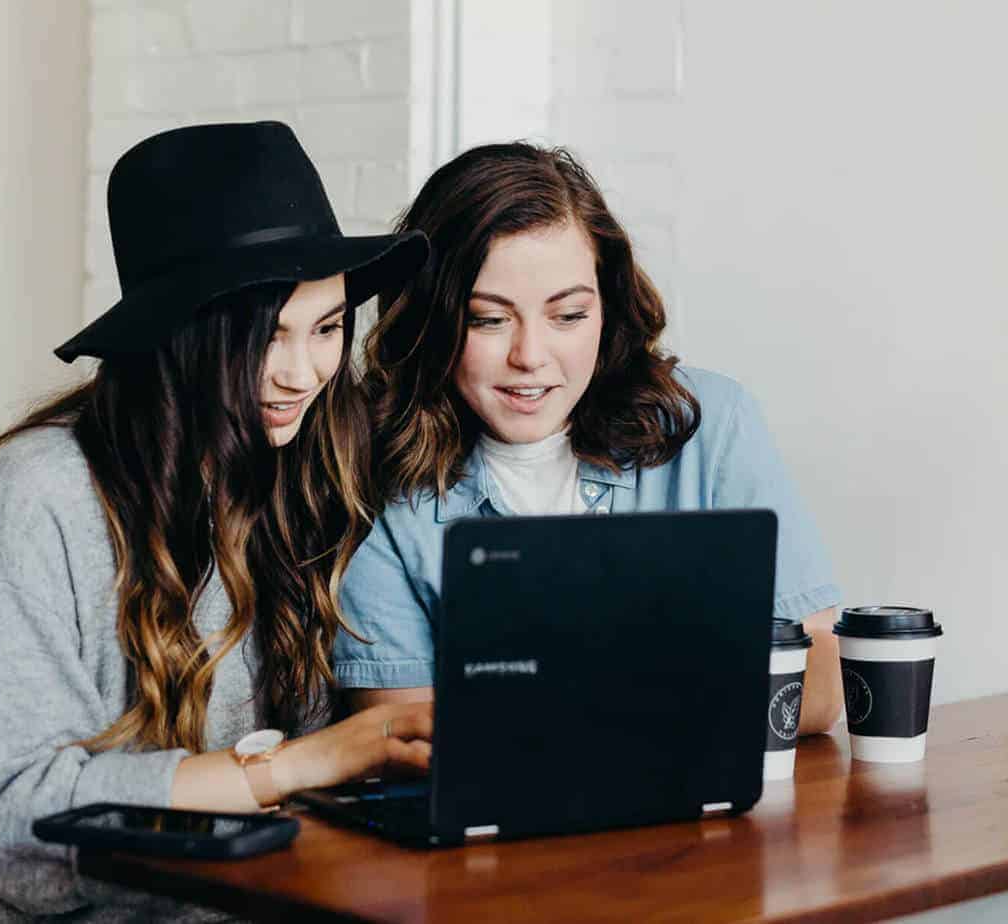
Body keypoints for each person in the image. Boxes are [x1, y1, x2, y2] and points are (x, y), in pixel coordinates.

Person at [0, 122, 432, 920]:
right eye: (265, 337)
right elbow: (11, 809)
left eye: (326, 329)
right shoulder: (36, 494)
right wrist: (298, 765)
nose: (301, 373)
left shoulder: (299, 476)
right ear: (180, 335)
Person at [334, 142, 844, 733]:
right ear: (431, 320)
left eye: (568, 316)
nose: (530, 357)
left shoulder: (710, 424)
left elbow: (818, 691)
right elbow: (399, 736)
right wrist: (682, 683)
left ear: (608, 307)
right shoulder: (374, 474)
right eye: (488, 319)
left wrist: (548, 706)